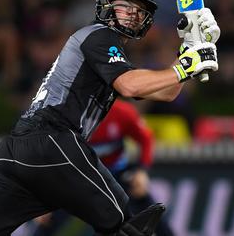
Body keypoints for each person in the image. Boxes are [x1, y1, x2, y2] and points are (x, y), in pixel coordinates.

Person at [0, 0, 220, 236]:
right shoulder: (100, 36)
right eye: (125, 6)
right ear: (106, 5)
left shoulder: (106, 48)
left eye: (139, 11)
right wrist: (187, 66)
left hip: (18, 152)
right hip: (51, 140)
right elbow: (130, 86)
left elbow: (167, 92)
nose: (132, 14)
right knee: (119, 215)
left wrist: (189, 49)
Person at [33, 99, 174, 236]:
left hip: (116, 176)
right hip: (79, 179)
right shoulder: (65, 116)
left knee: (150, 210)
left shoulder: (122, 112)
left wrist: (142, 171)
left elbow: (146, 139)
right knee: (46, 219)